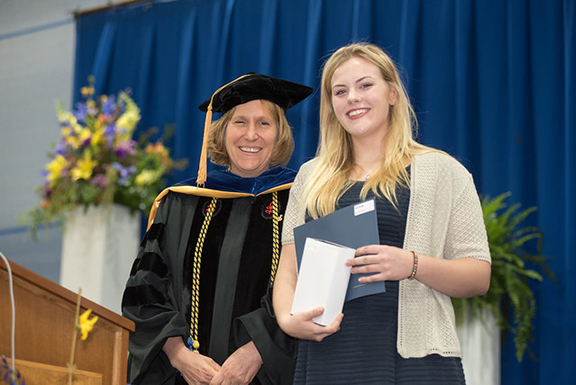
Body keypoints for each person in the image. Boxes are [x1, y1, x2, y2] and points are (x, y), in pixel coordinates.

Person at [272, 43, 491, 384]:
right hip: (328, 357)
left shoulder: (443, 171)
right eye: (340, 91)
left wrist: (412, 265)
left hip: (415, 363)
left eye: (365, 85)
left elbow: (478, 275)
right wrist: (287, 319)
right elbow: (289, 269)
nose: (352, 98)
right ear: (331, 106)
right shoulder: (310, 177)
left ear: (391, 93)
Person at [122, 73, 313, 384]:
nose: (251, 134)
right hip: (185, 376)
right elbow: (143, 293)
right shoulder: (180, 204)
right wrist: (179, 356)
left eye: (264, 123)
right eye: (240, 122)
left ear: (279, 135)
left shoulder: (302, 200)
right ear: (222, 131)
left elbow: (311, 290)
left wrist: (256, 351)